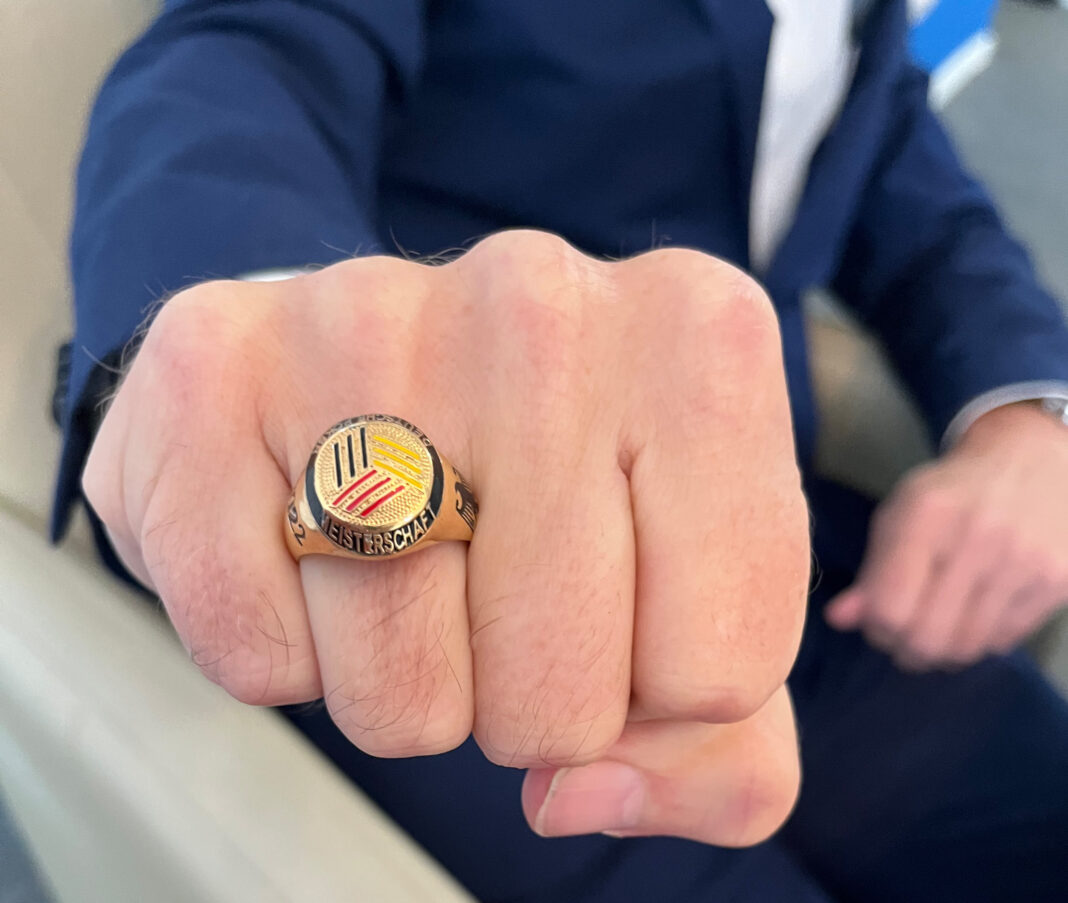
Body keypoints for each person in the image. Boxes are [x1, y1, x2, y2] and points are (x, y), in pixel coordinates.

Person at [55, 0, 1068, 900]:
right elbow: (246, 53)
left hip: (801, 570)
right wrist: (263, 346)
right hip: (459, 616)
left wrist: (1029, 414)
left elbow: (904, 177)